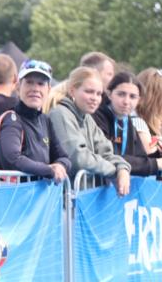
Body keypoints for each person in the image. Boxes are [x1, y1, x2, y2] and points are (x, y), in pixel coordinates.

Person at [48, 66, 131, 195]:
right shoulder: (60, 114)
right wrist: (114, 171)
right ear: (72, 91)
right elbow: (79, 158)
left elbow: (106, 152)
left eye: (98, 94)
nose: (95, 98)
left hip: (84, 199)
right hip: (64, 200)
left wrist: (122, 168)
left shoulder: (87, 118)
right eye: (89, 92)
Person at [96, 70, 162, 178]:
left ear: (139, 98)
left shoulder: (126, 119)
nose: (126, 101)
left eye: (132, 97)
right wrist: (159, 164)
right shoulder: (133, 120)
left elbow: (141, 160)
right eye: (121, 94)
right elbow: (108, 156)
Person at [0, 59, 70, 180]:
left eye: (41, 83)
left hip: (41, 198)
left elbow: (64, 157)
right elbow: (12, 159)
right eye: (29, 82)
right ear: (18, 87)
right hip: (14, 197)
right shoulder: (12, 120)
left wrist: (60, 165)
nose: (35, 88)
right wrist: (48, 170)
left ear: (48, 89)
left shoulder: (45, 120)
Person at [80, 51, 116, 130]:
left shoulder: (110, 104)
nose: (113, 79)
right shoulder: (86, 107)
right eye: (109, 74)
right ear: (95, 73)